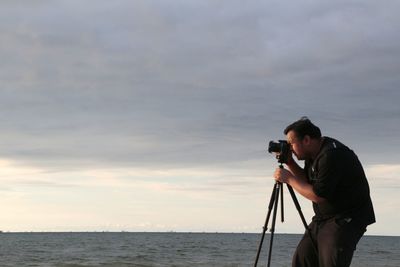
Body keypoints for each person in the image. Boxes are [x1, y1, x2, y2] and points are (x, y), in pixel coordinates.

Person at [273, 117, 375, 267]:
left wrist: (289, 179)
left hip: (347, 218)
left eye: (291, 143)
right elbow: (307, 181)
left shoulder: (332, 155)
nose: (290, 148)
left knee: (330, 262)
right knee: (302, 259)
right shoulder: (313, 154)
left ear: (306, 140)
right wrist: (290, 162)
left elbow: (318, 195)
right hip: (323, 218)